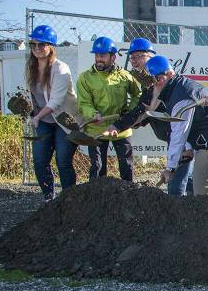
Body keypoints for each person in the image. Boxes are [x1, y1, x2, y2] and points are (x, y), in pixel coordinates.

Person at [108, 38, 194, 195]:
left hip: (180, 136)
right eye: (132, 58)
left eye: (138, 56)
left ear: (150, 56)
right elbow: (147, 111)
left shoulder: (159, 78)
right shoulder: (147, 82)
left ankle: (179, 211)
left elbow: (144, 109)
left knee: (176, 183)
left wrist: (118, 126)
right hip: (173, 135)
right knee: (186, 179)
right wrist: (135, 122)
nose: (134, 61)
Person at [140, 55, 208, 195]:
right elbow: (188, 126)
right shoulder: (174, 88)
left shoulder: (182, 96)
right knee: (200, 185)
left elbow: (179, 133)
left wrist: (170, 168)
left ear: (167, 75)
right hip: (198, 136)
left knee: (204, 187)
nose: (154, 85)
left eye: (156, 81)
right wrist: (188, 148)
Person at [24, 25, 80, 201]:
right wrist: (29, 112)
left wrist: (37, 117)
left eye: (42, 45)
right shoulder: (30, 67)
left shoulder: (61, 69)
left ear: (51, 47)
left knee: (63, 161)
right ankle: (49, 198)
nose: (37, 48)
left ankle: (69, 199)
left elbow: (55, 101)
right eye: (34, 44)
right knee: (40, 161)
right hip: (44, 121)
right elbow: (29, 94)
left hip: (65, 120)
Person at [76, 36, 141, 182]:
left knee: (127, 166)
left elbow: (138, 95)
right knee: (97, 167)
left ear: (113, 57)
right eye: (97, 55)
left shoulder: (125, 76)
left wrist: (128, 113)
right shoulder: (85, 78)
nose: (99, 59)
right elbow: (83, 103)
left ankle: (129, 196)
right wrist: (93, 114)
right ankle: (96, 199)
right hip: (96, 129)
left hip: (121, 128)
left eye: (103, 56)